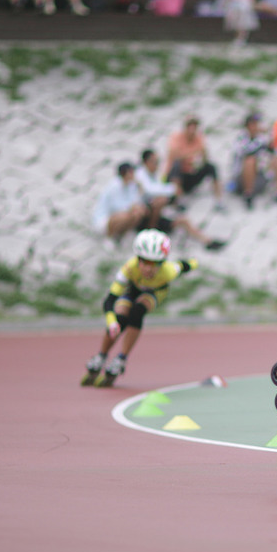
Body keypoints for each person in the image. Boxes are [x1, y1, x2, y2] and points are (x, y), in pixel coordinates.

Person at [81, 229, 198, 386]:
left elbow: (183, 265)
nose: (149, 268)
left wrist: (196, 262)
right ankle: (101, 355)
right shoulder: (129, 268)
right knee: (120, 318)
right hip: (133, 289)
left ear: (162, 262)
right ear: (138, 259)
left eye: (155, 263)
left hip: (155, 292)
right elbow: (109, 300)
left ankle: (121, 358)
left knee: (137, 312)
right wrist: (111, 322)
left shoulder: (168, 271)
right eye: (145, 262)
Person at [135, 149, 226, 251]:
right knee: (160, 200)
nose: (157, 164)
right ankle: (151, 232)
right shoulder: (140, 174)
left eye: (158, 161)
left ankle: (207, 241)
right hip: (145, 217)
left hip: (156, 214)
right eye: (155, 162)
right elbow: (150, 190)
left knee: (183, 220)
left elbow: (160, 188)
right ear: (146, 162)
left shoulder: (154, 174)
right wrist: (173, 189)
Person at [164, 116, 226, 212]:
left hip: (190, 174)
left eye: (194, 128)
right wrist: (191, 155)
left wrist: (201, 157)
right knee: (177, 165)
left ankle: (219, 199)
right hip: (175, 176)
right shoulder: (176, 137)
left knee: (211, 167)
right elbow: (175, 155)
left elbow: (204, 156)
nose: (192, 131)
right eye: (190, 128)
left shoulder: (199, 138)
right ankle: (178, 199)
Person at [230, 111, 277, 209]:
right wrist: (263, 145)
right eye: (254, 124)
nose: (256, 126)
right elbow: (246, 152)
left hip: (259, 177)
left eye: (257, 123)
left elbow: (272, 151)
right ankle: (248, 195)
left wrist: (271, 142)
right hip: (241, 180)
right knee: (250, 161)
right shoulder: (240, 138)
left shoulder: (261, 138)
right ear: (248, 125)